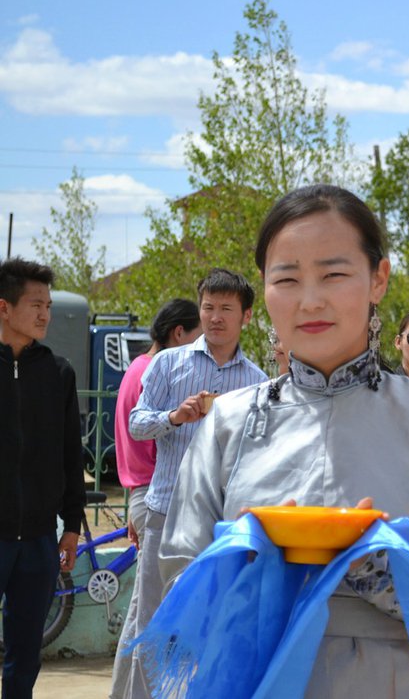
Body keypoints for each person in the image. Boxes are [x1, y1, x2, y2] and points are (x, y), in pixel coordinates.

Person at [159, 185, 409, 697]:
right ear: (265, 289)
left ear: (378, 279)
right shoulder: (228, 421)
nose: (310, 300)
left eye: (334, 274)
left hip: (396, 681)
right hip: (255, 678)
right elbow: (180, 578)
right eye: (287, 278)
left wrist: (366, 561)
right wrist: (254, 566)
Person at [125, 268, 267, 699]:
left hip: (222, 523)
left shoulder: (258, 382)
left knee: (215, 623)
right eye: (208, 307)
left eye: (226, 308)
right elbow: (136, 424)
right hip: (165, 511)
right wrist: (174, 417)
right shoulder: (169, 363)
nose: (215, 317)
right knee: (153, 622)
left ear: (245, 316)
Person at [0, 257, 85, 699]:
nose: (45, 315)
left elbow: (72, 454)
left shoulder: (58, 373)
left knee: (25, 650)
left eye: (48, 306)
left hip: (37, 540)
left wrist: (71, 524)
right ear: (4, 308)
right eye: (36, 305)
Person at [108, 298, 200, 699]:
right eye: (198, 338)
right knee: (153, 617)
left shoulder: (136, 368)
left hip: (141, 494)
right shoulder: (157, 370)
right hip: (155, 496)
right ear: (179, 334)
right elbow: (154, 445)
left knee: (140, 615)